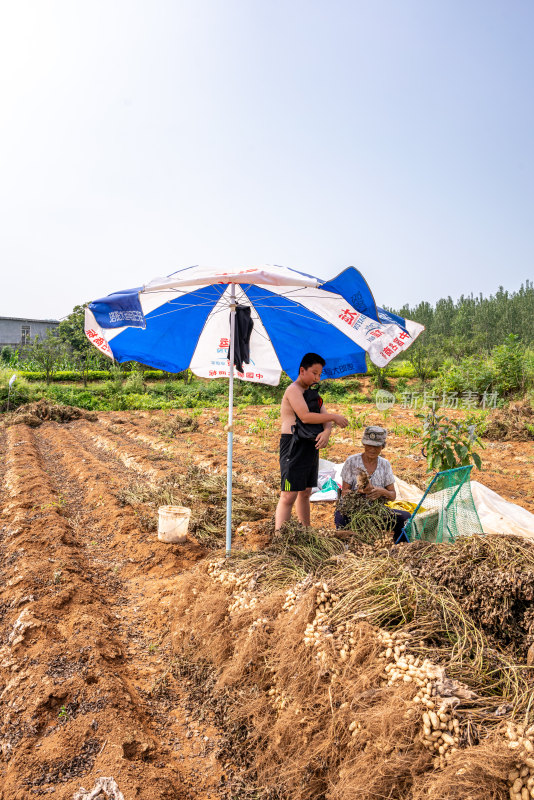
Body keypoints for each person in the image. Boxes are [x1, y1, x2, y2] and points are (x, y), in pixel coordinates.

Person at [275, 353, 348, 530]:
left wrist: (327, 432)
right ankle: (280, 536)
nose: (317, 377)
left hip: (310, 444)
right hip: (293, 444)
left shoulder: (313, 394)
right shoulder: (293, 390)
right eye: (314, 373)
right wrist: (334, 417)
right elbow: (305, 417)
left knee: (306, 492)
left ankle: (306, 530)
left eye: (319, 374)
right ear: (302, 370)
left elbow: (324, 418)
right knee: (288, 495)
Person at [334, 425, 410, 543]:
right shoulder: (352, 461)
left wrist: (381, 492)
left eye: (376, 446)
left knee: (405, 517)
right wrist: (360, 492)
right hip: (353, 510)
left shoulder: (385, 464)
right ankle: (346, 546)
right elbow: (344, 492)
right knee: (340, 515)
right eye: (369, 445)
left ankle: (399, 548)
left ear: (382, 447)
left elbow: (393, 495)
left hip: (376, 511)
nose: (372, 449)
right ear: (364, 444)